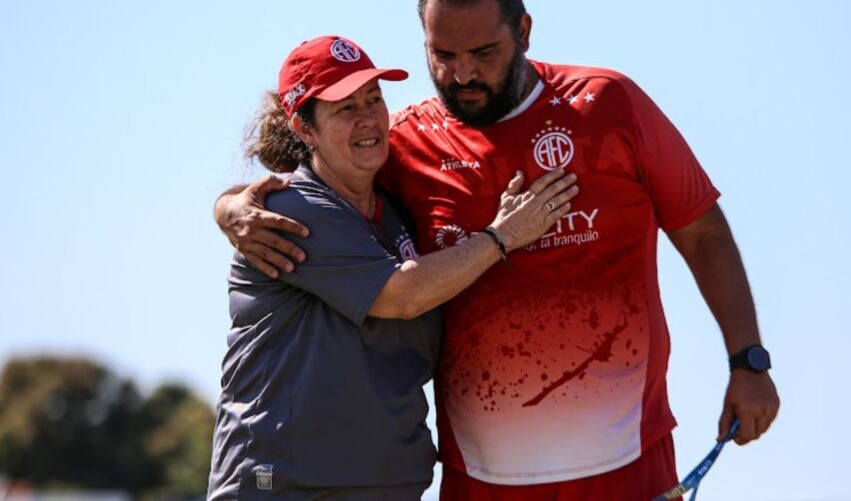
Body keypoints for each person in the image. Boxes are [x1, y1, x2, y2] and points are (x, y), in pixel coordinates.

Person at [215, 0, 780, 501]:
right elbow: (313, 183)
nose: (463, 74)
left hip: (626, 456)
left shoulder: (611, 104)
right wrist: (229, 207)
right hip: (482, 476)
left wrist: (747, 359)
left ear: (524, 31)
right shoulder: (404, 144)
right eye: (443, 55)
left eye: (484, 52)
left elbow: (702, 231)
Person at [207, 34, 578, 501]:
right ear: (304, 129)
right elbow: (402, 296)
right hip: (286, 488)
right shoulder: (295, 209)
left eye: (374, 98)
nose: (368, 118)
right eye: (345, 107)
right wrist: (503, 236)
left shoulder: (392, 210)